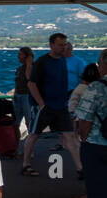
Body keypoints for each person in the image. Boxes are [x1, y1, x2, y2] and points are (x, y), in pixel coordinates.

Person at [23, 32, 84, 178]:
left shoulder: (63, 60)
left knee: (70, 136)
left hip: (61, 105)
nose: (63, 47)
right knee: (34, 135)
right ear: (51, 45)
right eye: (60, 45)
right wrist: (41, 104)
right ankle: (26, 164)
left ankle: (80, 169)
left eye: (65, 44)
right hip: (46, 106)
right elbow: (31, 84)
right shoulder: (43, 61)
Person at [74, 49, 107, 198]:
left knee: (97, 191)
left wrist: (84, 139)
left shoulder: (96, 87)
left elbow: (84, 120)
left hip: (97, 145)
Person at [13, 47, 35, 142]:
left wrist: (29, 64)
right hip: (18, 96)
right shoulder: (19, 69)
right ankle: (16, 146)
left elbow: (28, 78)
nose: (18, 56)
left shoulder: (33, 67)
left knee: (29, 122)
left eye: (20, 54)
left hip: (27, 96)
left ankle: (30, 148)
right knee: (15, 123)